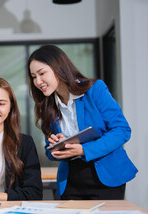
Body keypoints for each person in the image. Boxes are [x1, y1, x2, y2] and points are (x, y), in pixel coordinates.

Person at [27, 44, 138, 200]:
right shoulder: (47, 106)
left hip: (105, 177)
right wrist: (57, 145)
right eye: (33, 77)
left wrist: (83, 150)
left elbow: (121, 130)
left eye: (42, 73)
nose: (38, 81)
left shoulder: (95, 90)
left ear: (58, 67)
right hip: (71, 179)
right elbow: (49, 152)